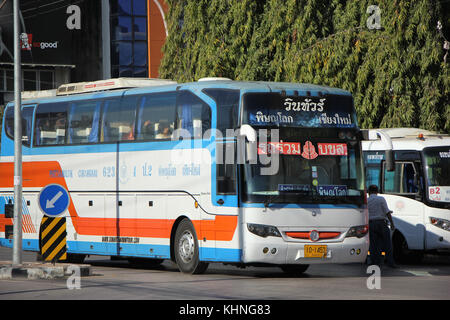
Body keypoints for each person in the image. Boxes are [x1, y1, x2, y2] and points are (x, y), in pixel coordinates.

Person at [367, 184, 397, 268]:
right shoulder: (381, 199)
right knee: (387, 244)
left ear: (369, 192)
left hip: (371, 224)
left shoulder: (367, 200)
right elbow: (387, 212)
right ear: (377, 191)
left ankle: (375, 262)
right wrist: (392, 224)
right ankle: (390, 262)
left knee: (373, 245)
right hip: (381, 223)